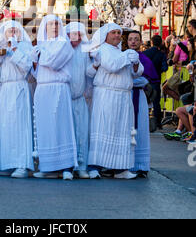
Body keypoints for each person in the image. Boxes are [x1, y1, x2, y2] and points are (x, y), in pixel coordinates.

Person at [87, 23, 144, 180]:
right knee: (104, 127)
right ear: (106, 35)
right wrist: (127, 56)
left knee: (121, 131)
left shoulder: (120, 51)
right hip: (107, 95)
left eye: (119, 33)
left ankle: (120, 168)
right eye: (114, 32)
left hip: (123, 96)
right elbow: (112, 66)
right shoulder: (103, 50)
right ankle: (94, 166)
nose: (117, 36)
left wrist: (136, 63)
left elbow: (137, 73)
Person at [32, 15, 78, 180]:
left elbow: (54, 62)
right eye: (50, 24)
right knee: (45, 127)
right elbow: (35, 70)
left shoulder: (64, 44)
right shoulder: (41, 45)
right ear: (44, 27)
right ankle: (47, 166)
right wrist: (35, 58)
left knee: (61, 125)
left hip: (58, 88)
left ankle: (66, 166)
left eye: (57, 23)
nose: (54, 27)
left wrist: (38, 55)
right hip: (42, 87)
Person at [0, 20, 34, 178]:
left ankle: (21, 164)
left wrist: (14, 48)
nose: (13, 33)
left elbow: (26, 66)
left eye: (15, 30)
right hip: (6, 91)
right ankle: (6, 162)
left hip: (19, 88)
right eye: (9, 31)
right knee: (5, 126)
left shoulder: (25, 47)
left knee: (20, 126)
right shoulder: (2, 50)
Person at [127, 30, 159, 177]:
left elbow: (148, 80)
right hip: (125, 97)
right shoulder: (123, 57)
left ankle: (140, 164)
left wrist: (129, 82)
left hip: (139, 97)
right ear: (126, 42)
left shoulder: (145, 60)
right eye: (130, 39)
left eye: (136, 39)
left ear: (140, 42)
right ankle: (126, 164)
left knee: (140, 128)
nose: (133, 42)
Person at [65, 22, 91, 179]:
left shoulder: (85, 51)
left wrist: (87, 94)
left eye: (79, 34)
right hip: (65, 99)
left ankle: (81, 165)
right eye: (73, 34)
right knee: (67, 132)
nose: (77, 37)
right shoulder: (62, 50)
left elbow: (89, 75)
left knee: (81, 132)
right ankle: (67, 166)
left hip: (80, 98)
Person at [144, 35, 168, 129]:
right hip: (156, 80)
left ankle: (144, 121)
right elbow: (164, 68)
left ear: (152, 42)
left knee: (144, 101)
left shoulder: (145, 53)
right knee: (156, 102)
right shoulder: (162, 54)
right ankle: (158, 123)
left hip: (145, 80)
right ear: (161, 43)